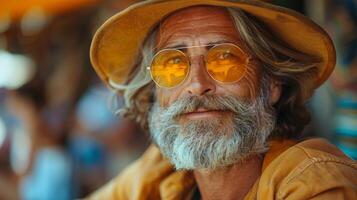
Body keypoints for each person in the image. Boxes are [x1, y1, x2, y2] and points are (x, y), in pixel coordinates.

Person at [88, 0, 357, 199]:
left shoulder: (315, 183)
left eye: (225, 59)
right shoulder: (160, 175)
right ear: (154, 92)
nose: (197, 85)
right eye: (172, 64)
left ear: (273, 84)